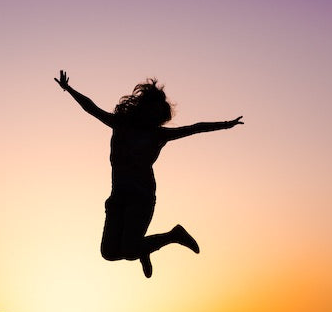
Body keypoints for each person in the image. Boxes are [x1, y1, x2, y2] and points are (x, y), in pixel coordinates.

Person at [55, 70, 243, 278]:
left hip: (141, 198)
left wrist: (226, 124)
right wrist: (69, 89)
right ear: (142, 108)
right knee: (108, 253)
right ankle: (145, 248)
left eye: (157, 114)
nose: (153, 117)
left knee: (128, 249)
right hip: (118, 196)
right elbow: (91, 108)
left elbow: (195, 128)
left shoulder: (159, 135)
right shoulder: (121, 123)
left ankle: (173, 235)